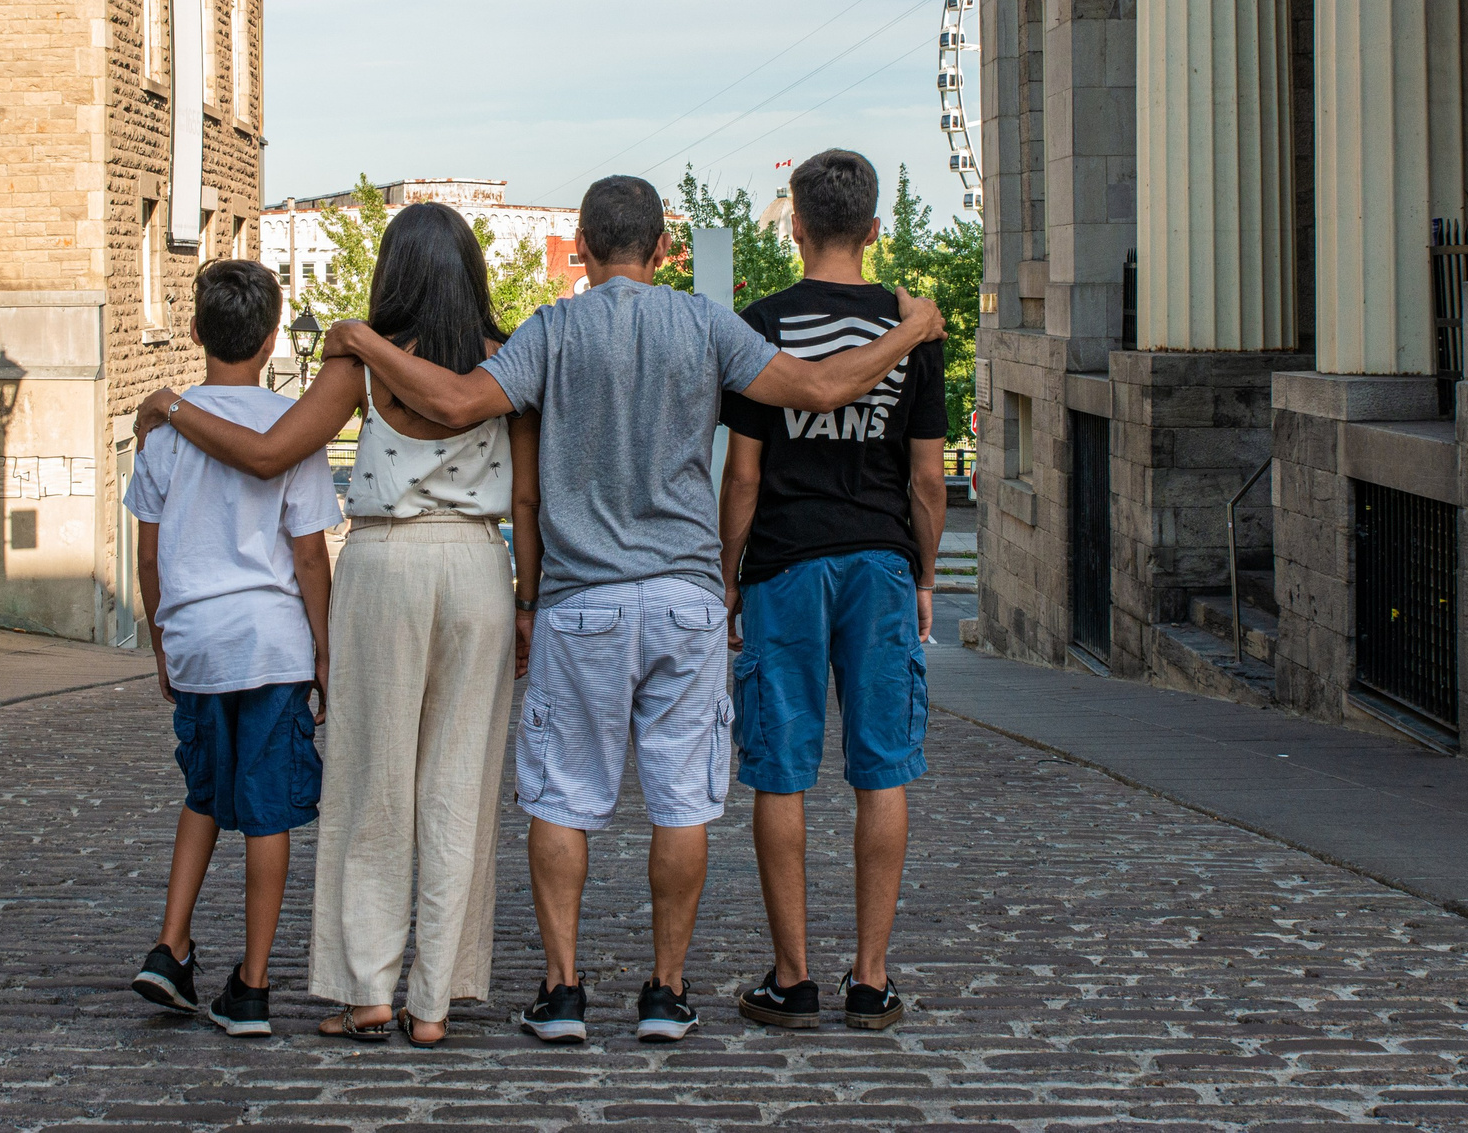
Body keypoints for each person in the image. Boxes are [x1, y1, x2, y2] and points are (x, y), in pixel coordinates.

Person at [322, 174, 945, 1046]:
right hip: (686, 598)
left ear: (580, 244)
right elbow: (818, 390)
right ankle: (665, 990)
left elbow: (457, 401)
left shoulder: (554, 328)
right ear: (663, 250)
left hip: (584, 601)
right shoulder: (703, 323)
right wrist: (911, 329)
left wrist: (361, 340)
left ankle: (564, 990)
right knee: (679, 805)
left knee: (564, 801)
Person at [135, 203, 538, 1048]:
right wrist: (527, 595)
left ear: (390, 274)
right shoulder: (509, 362)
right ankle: (434, 1002)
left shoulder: (360, 365)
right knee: (460, 788)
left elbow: (268, 451)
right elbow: (528, 494)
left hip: (387, 564)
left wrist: (173, 408)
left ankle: (368, 993)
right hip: (475, 567)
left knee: (371, 783)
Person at [718, 150, 946, 1034]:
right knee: (881, 766)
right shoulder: (912, 326)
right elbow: (928, 481)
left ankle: (792, 975)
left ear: (797, 227)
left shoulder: (761, 323)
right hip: (879, 560)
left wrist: (731, 572)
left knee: (782, 769)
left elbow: (743, 476)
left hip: (784, 560)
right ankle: (871, 977)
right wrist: (922, 572)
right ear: (877, 229)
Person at [124, 259, 340, 1039]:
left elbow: (148, 557)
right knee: (268, 809)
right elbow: (310, 554)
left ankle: (170, 941)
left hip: (198, 641)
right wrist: (324, 648)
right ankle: (250, 984)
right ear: (275, 334)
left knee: (203, 795)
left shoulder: (162, 435)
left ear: (193, 331)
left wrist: (160, 642)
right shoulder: (290, 427)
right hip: (274, 643)